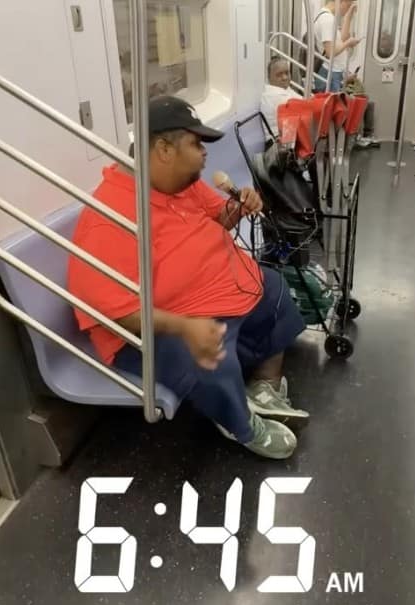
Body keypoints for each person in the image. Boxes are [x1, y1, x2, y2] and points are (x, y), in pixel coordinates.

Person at [67, 95, 310, 460]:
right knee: (207, 354)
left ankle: (264, 386)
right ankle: (240, 423)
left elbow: (220, 218)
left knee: (273, 287)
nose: (204, 153)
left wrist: (239, 207)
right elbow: (117, 314)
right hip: (153, 328)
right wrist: (184, 326)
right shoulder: (109, 219)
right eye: (196, 144)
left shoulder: (180, 184)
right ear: (164, 150)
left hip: (215, 294)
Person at [313, 0, 361, 93]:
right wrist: (348, 43)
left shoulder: (329, 17)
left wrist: (348, 16)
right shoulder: (327, 19)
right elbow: (330, 52)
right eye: (348, 5)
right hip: (330, 73)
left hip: (334, 72)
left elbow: (341, 40)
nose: (347, 9)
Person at [260, 56, 303, 137]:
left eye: (287, 73)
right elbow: (304, 106)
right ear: (269, 78)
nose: (285, 77)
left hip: (287, 135)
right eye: (279, 75)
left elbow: (303, 101)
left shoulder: (284, 89)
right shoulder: (274, 95)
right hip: (278, 141)